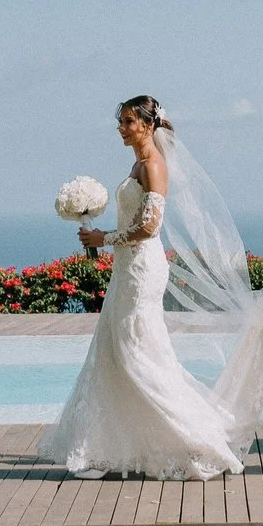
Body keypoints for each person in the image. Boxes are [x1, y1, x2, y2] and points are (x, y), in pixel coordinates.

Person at [35, 96, 245, 479]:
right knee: (116, 350)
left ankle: (195, 437)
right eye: (121, 121)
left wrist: (104, 236)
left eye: (129, 121)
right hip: (126, 268)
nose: (122, 128)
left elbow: (150, 227)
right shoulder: (137, 164)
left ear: (148, 125)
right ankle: (119, 447)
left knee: (137, 353)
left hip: (142, 269)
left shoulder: (153, 166)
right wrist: (101, 237)